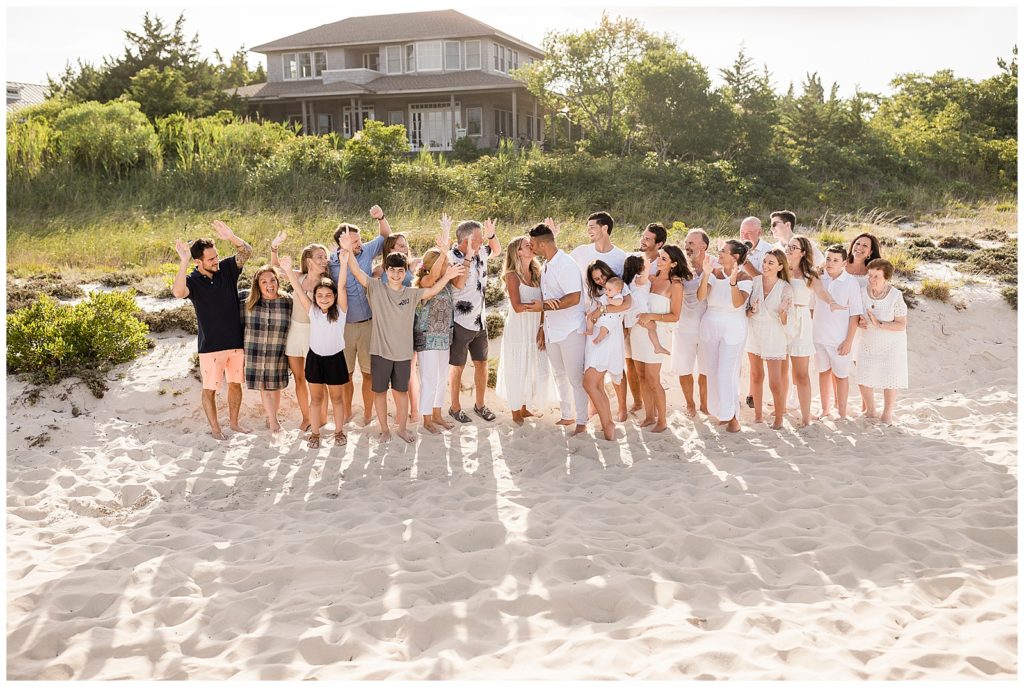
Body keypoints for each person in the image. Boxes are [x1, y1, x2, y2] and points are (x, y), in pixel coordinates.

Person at [344, 233, 465, 443]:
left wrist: (447, 276)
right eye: (392, 270)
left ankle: (401, 428)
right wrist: (347, 250)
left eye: (401, 271)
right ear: (386, 271)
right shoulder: (376, 288)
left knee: (401, 393)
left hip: (402, 353)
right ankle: (384, 429)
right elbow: (356, 272)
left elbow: (432, 289)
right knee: (380, 393)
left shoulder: (411, 293)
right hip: (380, 351)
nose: (397, 274)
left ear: (404, 272)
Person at [172, 221, 253, 440]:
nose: (216, 260)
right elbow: (178, 292)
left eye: (216, 256)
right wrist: (183, 261)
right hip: (210, 347)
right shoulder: (193, 281)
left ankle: (234, 424)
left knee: (235, 385)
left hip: (235, 343)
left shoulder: (226, 269)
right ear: (198, 261)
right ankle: (216, 429)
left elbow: (247, 251)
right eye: (211, 259)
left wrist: (231, 236)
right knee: (210, 390)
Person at [328, 205, 391, 427]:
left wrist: (380, 217)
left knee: (369, 374)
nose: (359, 244)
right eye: (354, 242)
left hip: (369, 325)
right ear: (340, 244)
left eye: (359, 239)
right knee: (345, 375)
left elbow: (385, 236)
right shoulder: (330, 262)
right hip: (344, 327)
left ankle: (367, 413)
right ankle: (346, 413)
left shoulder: (366, 251)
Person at [279, 256, 349, 449]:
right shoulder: (313, 311)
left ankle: (339, 432)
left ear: (334, 297)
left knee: (336, 398)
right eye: (320, 296)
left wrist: (344, 264)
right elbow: (300, 291)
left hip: (335, 359)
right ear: (315, 298)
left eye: (328, 295)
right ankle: (316, 434)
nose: (324, 298)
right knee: (316, 399)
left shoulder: (341, 311)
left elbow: (341, 286)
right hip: (315, 359)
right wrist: (287, 270)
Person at [530, 222, 588, 436]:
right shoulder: (546, 265)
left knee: (575, 377)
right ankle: (567, 415)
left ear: (542, 244)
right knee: (559, 375)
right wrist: (543, 325)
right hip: (553, 329)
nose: (531, 247)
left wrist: (543, 306)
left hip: (571, 329)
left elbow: (574, 297)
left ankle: (582, 420)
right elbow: (546, 297)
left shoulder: (566, 264)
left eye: (532, 244)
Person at [784, 235, 847, 427]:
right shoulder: (780, 269)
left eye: (793, 247)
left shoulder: (810, 274)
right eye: (788, 246)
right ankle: (782, 408)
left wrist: (832, 302)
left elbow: (821, 292)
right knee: (780, 370)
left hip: (801, 322)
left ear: (803, 253)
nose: (789, 249)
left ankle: (805, 416)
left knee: (801, 373)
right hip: (780, 319)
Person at [270, 233, 329, 431]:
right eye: (320, 256)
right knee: (299, 378)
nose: (324, 260)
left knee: (318, 378)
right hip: (295, 332)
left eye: (325, 256)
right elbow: (276, 268)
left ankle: (321, 417)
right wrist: (275, 247)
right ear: (309, 260)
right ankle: (306, 417)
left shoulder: (326, 282)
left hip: (315, 333)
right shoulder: (299, 276)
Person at [446, 216, 502, 424]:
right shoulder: (452, 257)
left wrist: (492, 235)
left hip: (481, 321)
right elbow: (459, 285)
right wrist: (468, 258)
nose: (482, 242)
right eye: (479, 238)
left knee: (482, 363)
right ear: (466, 241)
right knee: (457, 366)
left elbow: (496, 250)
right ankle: (455, 407)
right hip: (461, 322)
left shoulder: (482, 253)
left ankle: (480, 405)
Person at [495, 235, 554, 426]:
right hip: (518, 329)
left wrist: (542, 326)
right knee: (517, 367)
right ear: (517, 252)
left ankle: (525, 406)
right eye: (526, 246)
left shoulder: (538, 273)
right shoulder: (512, 276)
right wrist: (540, 306)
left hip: (534, 327)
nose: (531, 247)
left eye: (530, 245)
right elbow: (517, 307)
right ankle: (515, 410)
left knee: (531, 367)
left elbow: (544, 305)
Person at [697, 239, 753, 433]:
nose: (718, 254)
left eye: (723, 251)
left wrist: (733, 282)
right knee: (711, 371)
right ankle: (722, 412)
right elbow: (701, 296)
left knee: (726, 372)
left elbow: (738, 303)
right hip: (710, 323)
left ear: (735, 257)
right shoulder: (714, 272)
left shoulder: (745, 277)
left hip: (733, 326)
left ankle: (733, 416)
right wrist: (705, 274)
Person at [630, 245, 686, 432]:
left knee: (653, 378)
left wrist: (652, 316)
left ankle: (662, 420)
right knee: (642, 376)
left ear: (674, 263)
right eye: (659, 257)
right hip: (638, 331)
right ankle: (649, 415)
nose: (659, 261)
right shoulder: (650, 279)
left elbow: (675, 315)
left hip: (657, 333)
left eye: (664, 259)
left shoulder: (675, 284)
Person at [372, 231, 420, 424]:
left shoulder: (412, 266)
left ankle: (414, 412)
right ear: (390, 248)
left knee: (409, 372)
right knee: (384, 381)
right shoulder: (379, 271)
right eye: (400, 245)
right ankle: (392, 415)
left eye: (405, 244)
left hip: (408, 325)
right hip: (385, 328)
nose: (405, 248)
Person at [813, 244, 865, 419]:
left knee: (841, 375)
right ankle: (825, 409)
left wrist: (848, 341)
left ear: (844, 263)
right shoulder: (819, 279)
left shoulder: (850, 282)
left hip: (839, 339)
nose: (830, 263)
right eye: (828, 259)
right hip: (819, 336)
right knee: (823, 373)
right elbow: (813, 307)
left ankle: (842, 412)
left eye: (835, 260)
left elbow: (855, 314)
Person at [856, 258, 909, 425]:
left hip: (891, 344)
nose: (872, 280)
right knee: (864, 374)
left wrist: (879, 324)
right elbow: (857, 316)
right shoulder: (862, 292)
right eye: (870, 275)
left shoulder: (895, 295)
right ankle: (871, 409)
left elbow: (901, 325)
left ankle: (887, 413)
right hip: (868, 341)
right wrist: (861, 322)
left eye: (876, 276)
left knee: (890, 377)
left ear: (886, 277)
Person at [745, 250, 794, 429]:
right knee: (756, 375)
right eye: (765, 262)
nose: (765, 266)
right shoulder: (754, 282)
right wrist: (751, 310)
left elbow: (787, 322)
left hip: (775, 334)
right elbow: (746, 311)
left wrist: (782, 311)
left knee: (775, 381)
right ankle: (758, 415)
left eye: (771, 263)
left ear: (780, 266)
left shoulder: (785, 288)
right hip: (755, 331)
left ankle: (779, 418)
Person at [241, 264, 293, 433]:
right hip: (254, 350)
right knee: (264, 386)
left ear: (278, 281)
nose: (269, 284)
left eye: (272, 280)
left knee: (274, 386)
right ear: (258, 285)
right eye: (263, 282)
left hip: (276, 351)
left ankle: (272, 417)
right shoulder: (247, 303)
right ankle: (273, 421)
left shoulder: (288, 302)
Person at [624, 223, 667, 418]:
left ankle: (654, 407)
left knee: (650, 370)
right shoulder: (633, 261)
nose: (643, 240)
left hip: (649, 315)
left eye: (648, 238)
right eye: (643, 236)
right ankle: (639, 402)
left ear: (659, 244)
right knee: (631, 362)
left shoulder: (662, 263)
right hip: (636, 316)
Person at [582, 266, 630, 440]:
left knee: (589, 383)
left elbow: (626, 305)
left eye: (602, 276)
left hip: (609, 336)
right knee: (593, 384)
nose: (601, 281)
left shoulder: (620, 288)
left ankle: (608, 423)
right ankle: (607, 422)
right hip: (596, 337)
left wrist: (600, 310)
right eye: (596, 279)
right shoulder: (601, 293)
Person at [413, 245, 457, 434]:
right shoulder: (424, 282)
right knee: (429, 380)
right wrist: (444, 249)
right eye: (444, 263)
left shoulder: (446, 284)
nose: (447, 266)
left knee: (441, 379)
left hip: (444, 337)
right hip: (427, 337)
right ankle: (427, 419)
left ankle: (437, 414)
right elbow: (433, 277)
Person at [671, 228, 713, 417]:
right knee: (684, 368)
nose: (687, 247)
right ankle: (690, 404)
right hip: (684, 326)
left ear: (703, 246)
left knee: (705, 369)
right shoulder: (679, 268)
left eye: (691, 243)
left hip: (706, 326)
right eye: (686, 243)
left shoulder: (713, 266)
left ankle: (705, 405)